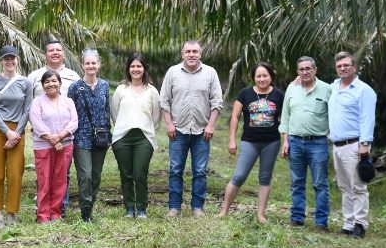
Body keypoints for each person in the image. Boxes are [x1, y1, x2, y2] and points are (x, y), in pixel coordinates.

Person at [160, 40, 223, 217]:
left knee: (200, 171)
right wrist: (169, 123)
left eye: (195, 51)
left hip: (202, 132)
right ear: (182, 54)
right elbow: (164, 100)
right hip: (177, 131)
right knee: (175, 169)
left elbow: (217, 101)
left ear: (200, 54)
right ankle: (174, 207)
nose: (191, 55)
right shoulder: (173, 72)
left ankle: (197, 207)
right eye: (188, 51)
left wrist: (211, 126)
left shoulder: (210, 73)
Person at [219, 62, 284, 223]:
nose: (262, 79)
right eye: (258, 76)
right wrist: (232, 140)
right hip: (249, 141)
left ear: (271, 76)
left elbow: (286, 118)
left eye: (265, 75)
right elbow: (235, 117)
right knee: (239, 176)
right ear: (254, 78)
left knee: (265, 177)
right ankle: (224, 211)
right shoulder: (245, 93)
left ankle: (261, 214)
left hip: (271, 142)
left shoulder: (279, 94)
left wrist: (285, 141)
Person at [279, 56, 332, 231]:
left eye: (308, 68)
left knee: (320, 184)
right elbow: (285, 116)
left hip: (317, 143)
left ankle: (321, 222)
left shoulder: (326, 89)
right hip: (295, 141)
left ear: (315, 70)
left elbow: (334, 115)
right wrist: (285, 141)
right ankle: (297, 218)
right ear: (297, 72)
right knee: (297, 182)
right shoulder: (292, 88)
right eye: (301, 69)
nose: (305, 72)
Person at [28, 39, 80, 213]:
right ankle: (43, 212)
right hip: (42, 138)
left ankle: (60, 211)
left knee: (62, 177)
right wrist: (51, 137)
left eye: (59, 50)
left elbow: (75, 113)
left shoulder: (73, 76)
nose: (55, 52)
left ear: (63, 54)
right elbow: (30, 109)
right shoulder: (34, 76)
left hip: (66, 139)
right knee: (44, 178)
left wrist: (61, 137)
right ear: (45, 54)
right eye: (51, 50)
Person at [328, 51, 377, 239]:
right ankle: (348, 223)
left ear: (354, 67)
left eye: (346, 65)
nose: (342, 68)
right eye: (339, 66)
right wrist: (297, 81)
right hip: (337, 145)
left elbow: (367, 118)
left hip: (355, 144)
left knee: (358, 186)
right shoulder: (334, 87)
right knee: (344, 186)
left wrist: (365, 144)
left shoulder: (364, 90)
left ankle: (360, 224)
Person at [0, 45, 33, 229]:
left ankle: (12, 212)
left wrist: (16, 133)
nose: (10, 61)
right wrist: (7, 132)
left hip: (18, 130)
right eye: (6, 59)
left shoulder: (26, 83)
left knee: (15, 173)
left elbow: (27, 109)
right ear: (1, 61)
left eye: (12, 58)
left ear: (17, 60)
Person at [111, 54, 161, 219]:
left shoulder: (152, 91)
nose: (136, 69)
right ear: (128, 69)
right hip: (122, 137)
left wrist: (148, 132)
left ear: (144, 68)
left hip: (143, 137)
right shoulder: (121, 89)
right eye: (133, 66)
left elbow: (156, 116)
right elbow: (115, 113)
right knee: (126, 174)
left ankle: (141, 208)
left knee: (140, 173)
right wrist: (124, 125)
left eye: (139, 66)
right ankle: (129, 208)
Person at [67, 50, 111, 222]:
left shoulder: (105, 86)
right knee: (85, 175)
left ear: (98, 65)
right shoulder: (75, 87)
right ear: (83, 65)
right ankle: (85, 211)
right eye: (88, 63)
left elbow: (106, 110)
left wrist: (108, 135)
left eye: (94, 63)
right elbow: (69, 113)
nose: (91, 66)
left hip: (100, 138)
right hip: (81, 137)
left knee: (96, 175)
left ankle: (90, 205)